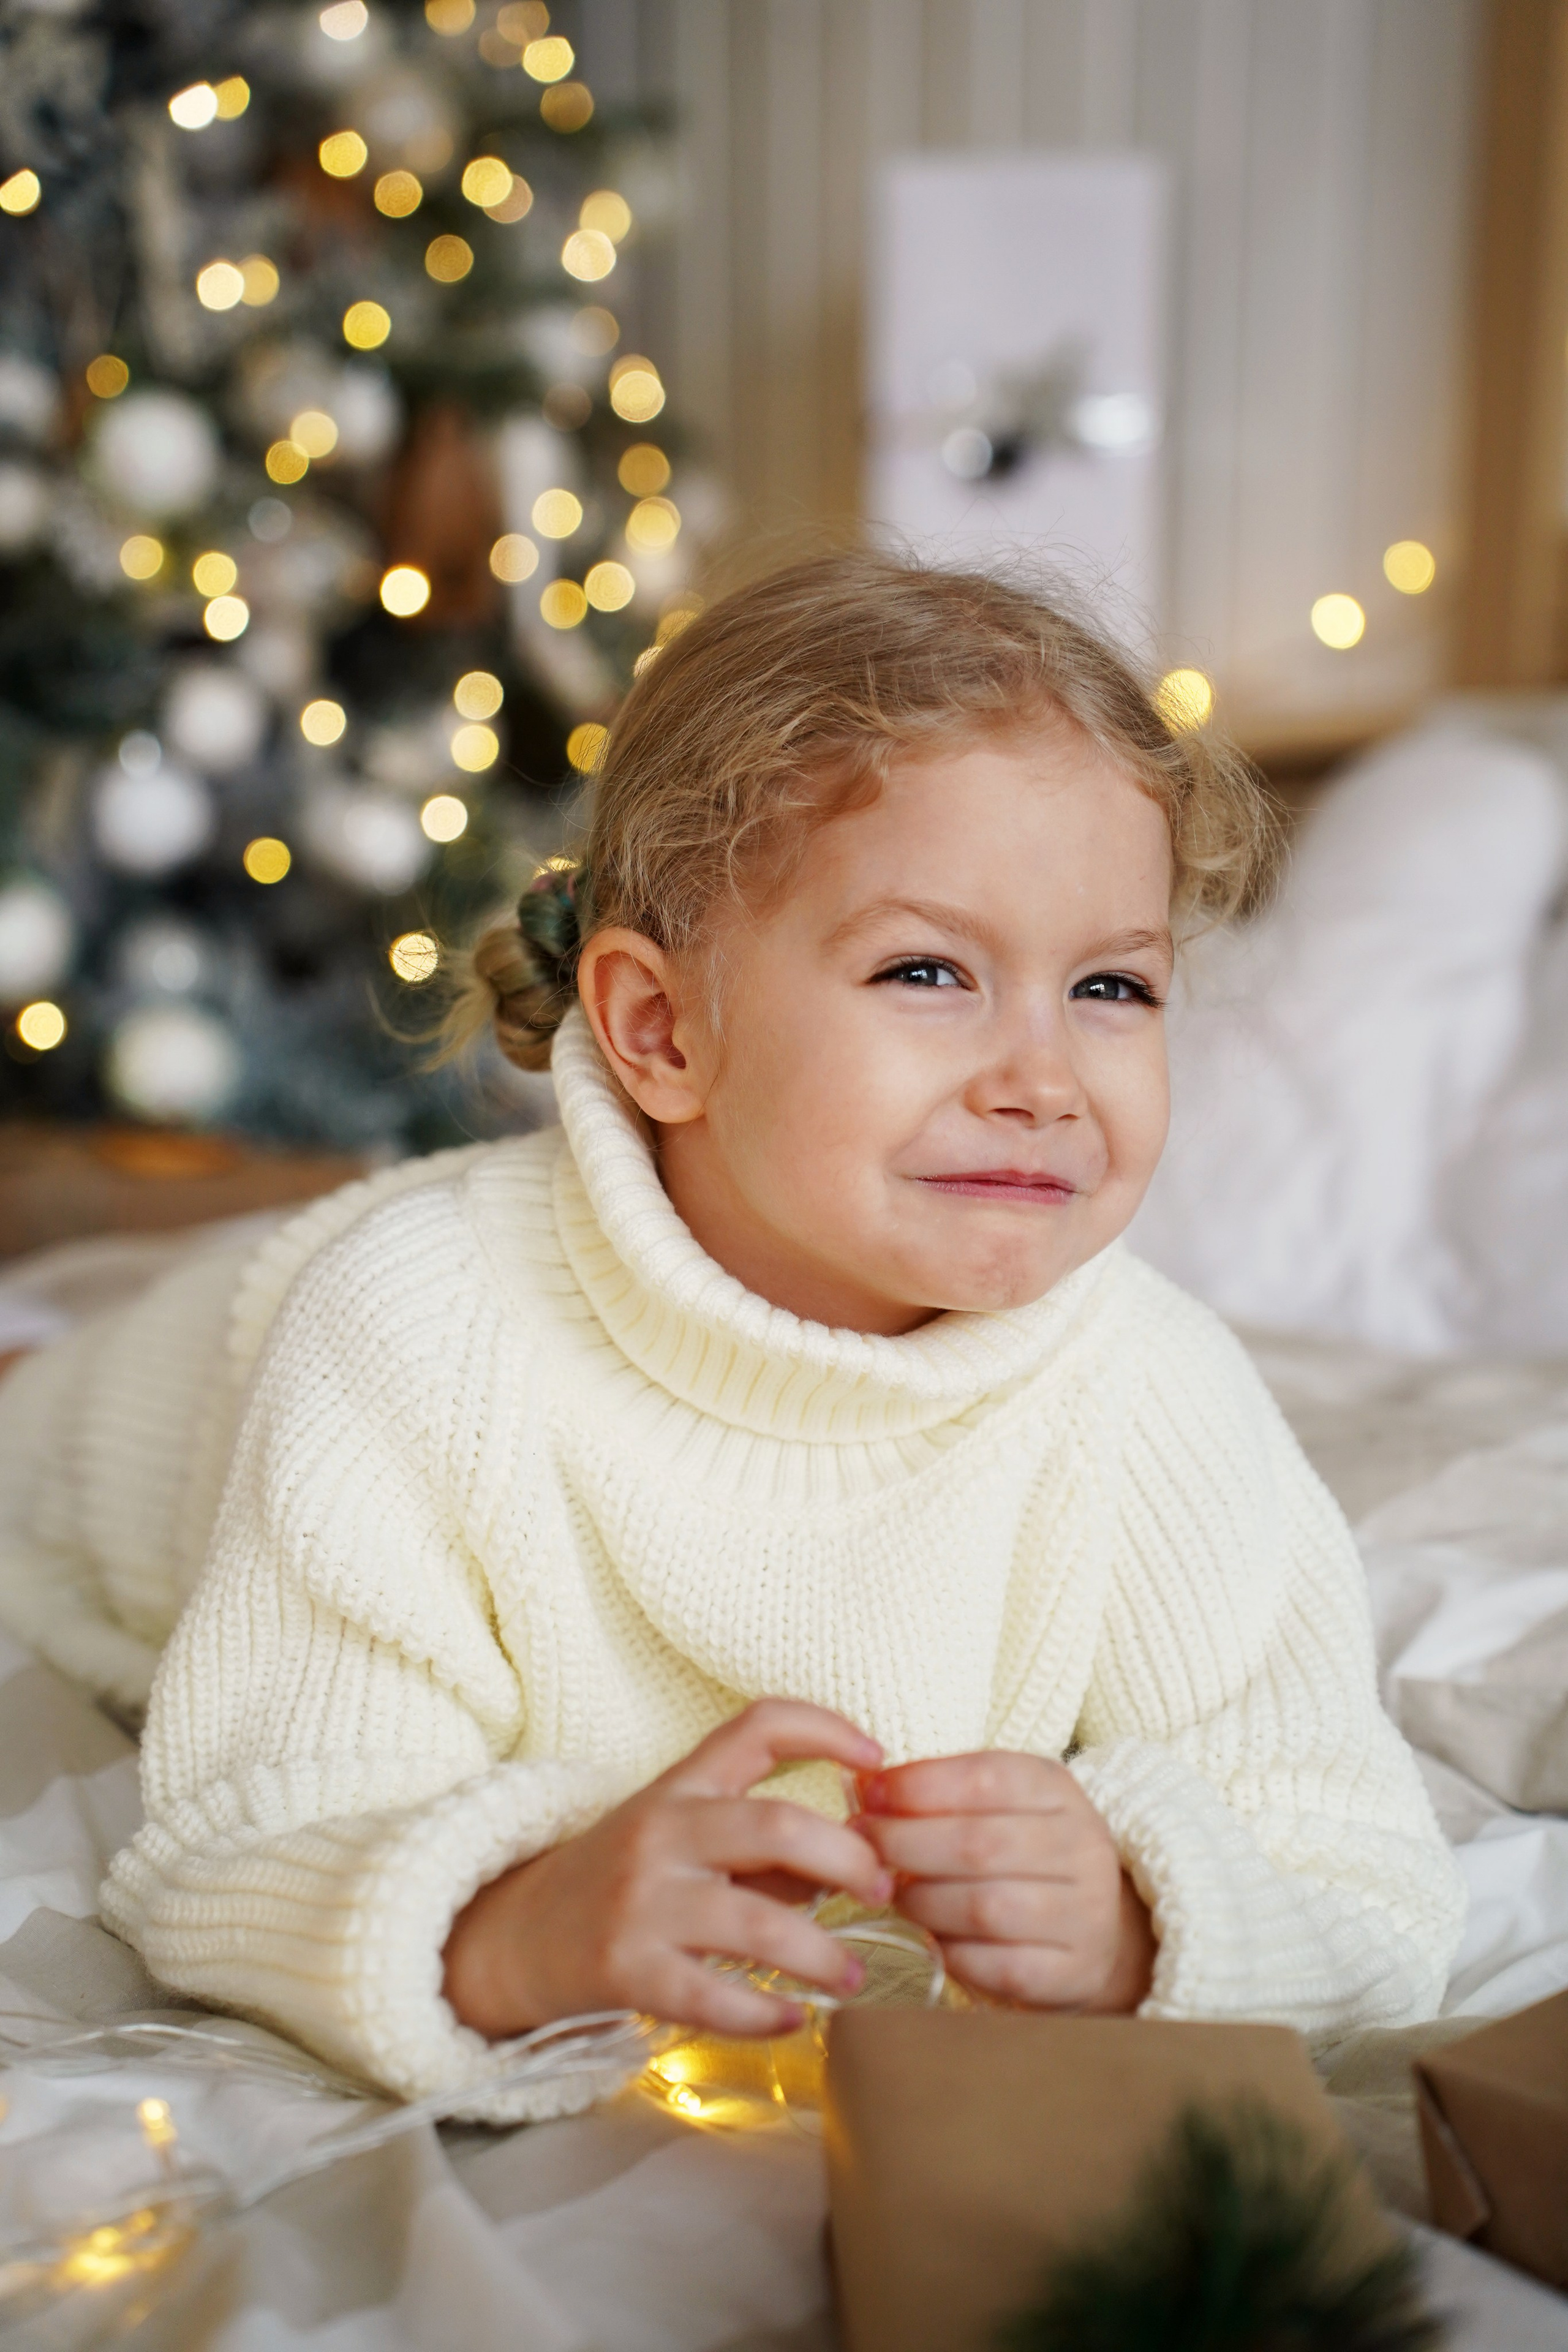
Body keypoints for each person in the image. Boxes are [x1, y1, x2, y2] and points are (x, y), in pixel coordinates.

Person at [1, 553, 1464, 2119]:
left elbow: (1360, 1874)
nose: (1042, 1076)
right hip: (129, 1420)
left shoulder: (1153, 1394)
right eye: (927, 971)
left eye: (1110, 985)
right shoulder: (416, 1328)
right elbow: (250, 1826)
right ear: (662, 1029)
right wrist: (511, 1930)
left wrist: (1141, 1924)